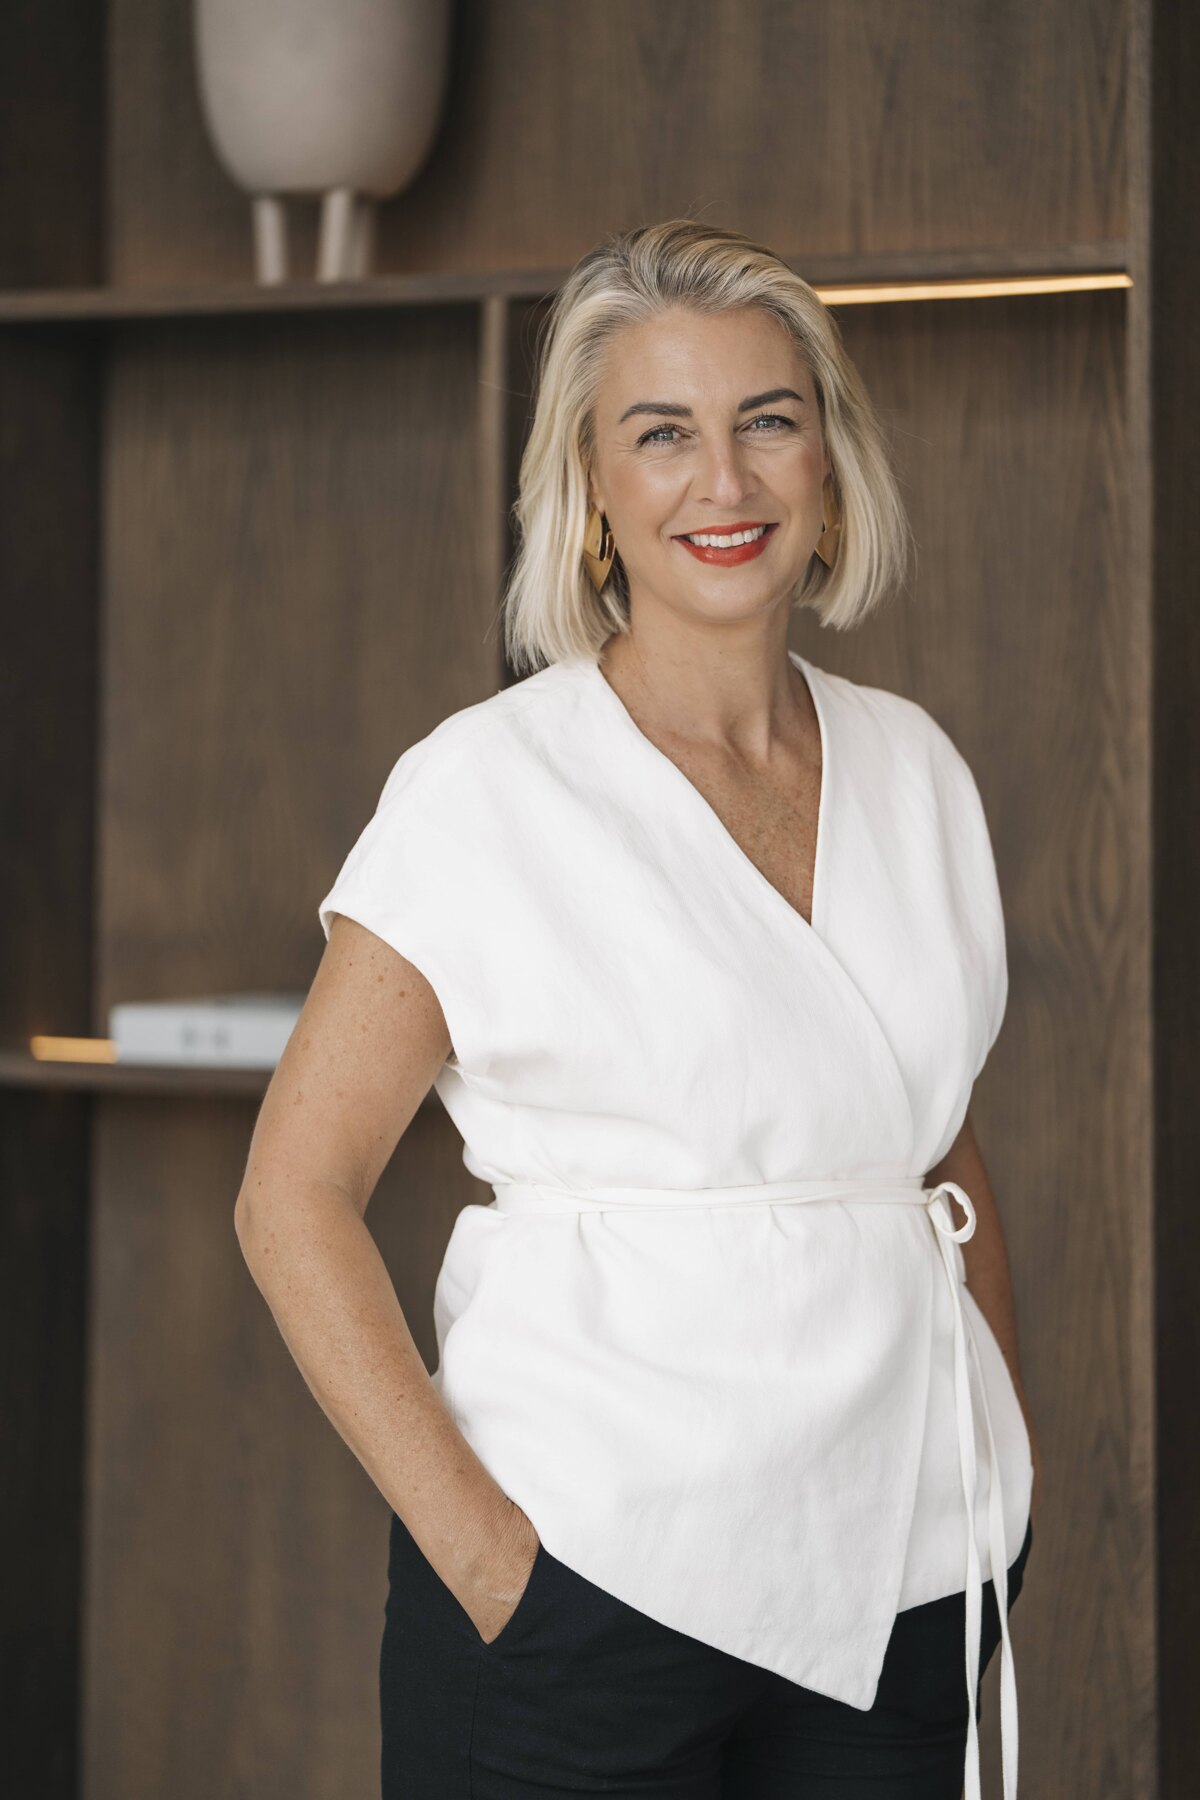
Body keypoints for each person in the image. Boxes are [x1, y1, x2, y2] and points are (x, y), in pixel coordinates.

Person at [235, 218, 1043, 1800]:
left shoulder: (918, 769)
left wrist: (993, 1477)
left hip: (899, 1578)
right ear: (593, 487)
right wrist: (491, 1562)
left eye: (768, 421)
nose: (722, 483)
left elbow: (935, 1147)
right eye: (661, 434)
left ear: (828, 461)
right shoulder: (486, 791)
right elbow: (292, 1197)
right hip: (588, 1588)